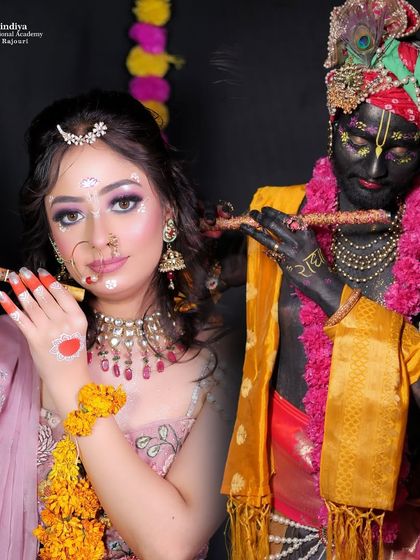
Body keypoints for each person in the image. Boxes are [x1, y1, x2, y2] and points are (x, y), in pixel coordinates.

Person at [218, 1, 420, 558]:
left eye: (402, 151)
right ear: (332, 127)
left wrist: (324, 286)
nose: (374, 169)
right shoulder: (282, 212)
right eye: (358, 140)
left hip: (390, 523)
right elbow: (194, 285)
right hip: (279, 509)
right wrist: (187, 239)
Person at [0, 90, 233, 560]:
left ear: (168, 209)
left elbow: (170, 545)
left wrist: (67, 379)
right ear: (52, 235)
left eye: (123, 203)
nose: (99, 237)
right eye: (70, 215)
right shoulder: (13, 350)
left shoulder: (228, 362)